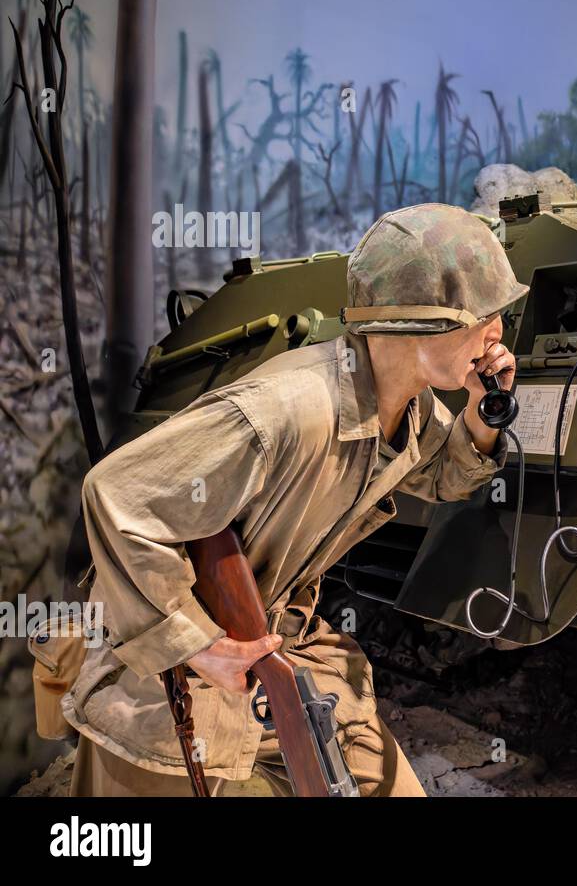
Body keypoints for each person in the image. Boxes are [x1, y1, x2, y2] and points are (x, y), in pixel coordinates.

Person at [64, 204, 527, 796]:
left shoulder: (405, 407)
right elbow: (116, 492)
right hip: (169, 671)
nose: (498, 336)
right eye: (484, 315)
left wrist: (483, 414)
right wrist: (198, 647)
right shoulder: (286, 409)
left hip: (280, 642)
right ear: (417, 324)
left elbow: (443, 477)